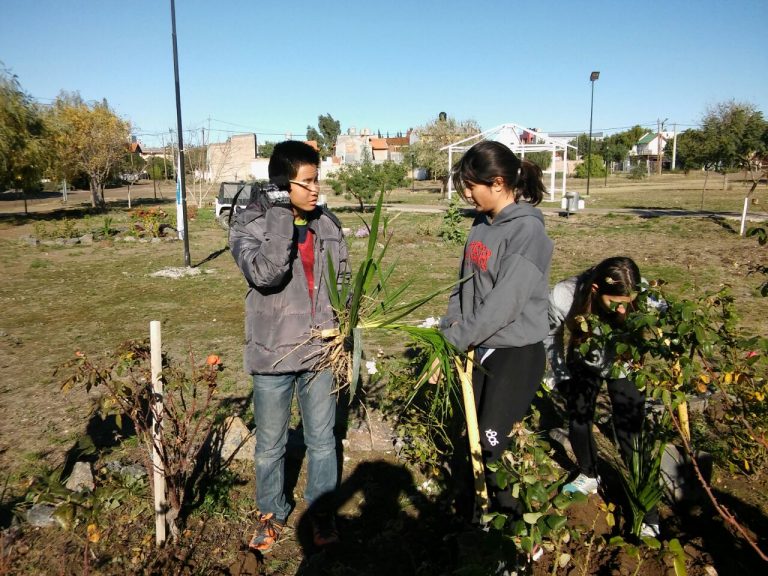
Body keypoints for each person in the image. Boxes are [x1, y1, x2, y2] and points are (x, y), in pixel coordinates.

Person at [229, 140, 349, 553]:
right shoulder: (250, 225)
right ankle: (270, 513)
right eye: (308, 181)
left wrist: (345, 326)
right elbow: (266, 274)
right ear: (283, 185)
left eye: (318, 179)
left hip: (319, 352)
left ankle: (321, 512)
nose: (317, 189)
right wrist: (281, 215)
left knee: (322, 440)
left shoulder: (327, 224)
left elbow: (343, 282)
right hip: (272, 352)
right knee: (270, 446)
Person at [435, 139, 553, 518]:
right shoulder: (479, 225)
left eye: (472, 186)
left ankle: (510, 531)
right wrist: (450, 326)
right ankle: (475, 520)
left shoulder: (527, 233)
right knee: (469, 439)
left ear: (498, 183)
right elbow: (463, 284)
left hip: (515, 352)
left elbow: (505, 305)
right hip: (480, 347)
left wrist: (455, 339)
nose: (467, 194)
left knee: (492, 444)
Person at [544, 256, 660, 538]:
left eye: (628, 301)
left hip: (624, 362)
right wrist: (559, 376)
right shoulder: (564, 295)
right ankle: (589, 474)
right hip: (585, 359)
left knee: (630, 433)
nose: (623, 307)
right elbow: (550, 334)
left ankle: (649, 512)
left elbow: (664, 315)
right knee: (579, 419)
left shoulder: (642, 294)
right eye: (616, 301)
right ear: (595, 289)